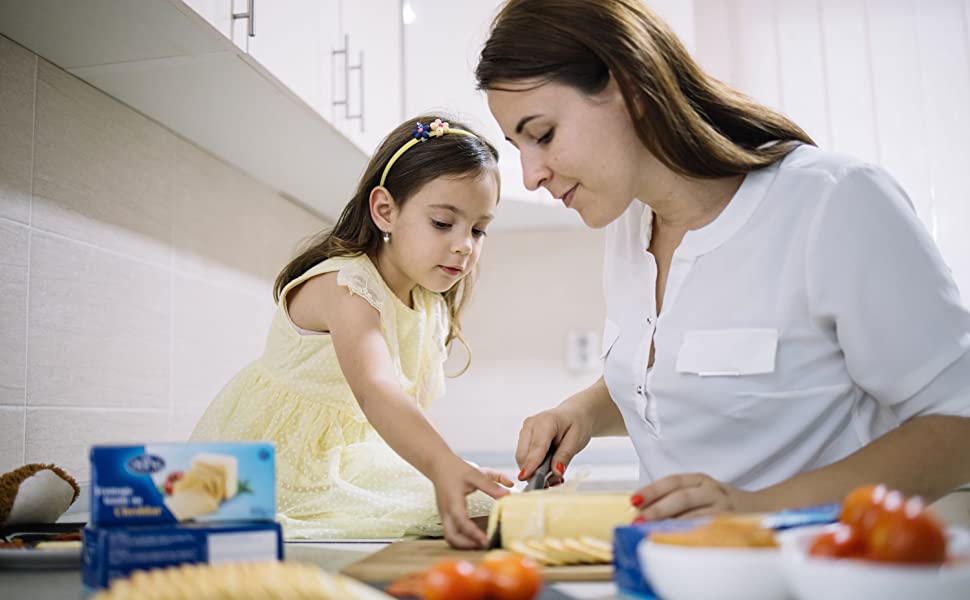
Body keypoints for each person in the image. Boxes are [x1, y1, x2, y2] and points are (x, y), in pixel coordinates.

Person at [476, 0, 970, 521]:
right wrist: (582, 411)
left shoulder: (834, 203)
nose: (529, 175)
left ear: (631, 89)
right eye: (517, 146)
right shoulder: (627, 227)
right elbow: (686, 381)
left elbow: (958, 423)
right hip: (667, 572)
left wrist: (754, 509)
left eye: (543, 134)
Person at [191, 116, 511, 548]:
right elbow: (376, 389)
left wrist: (445, 468)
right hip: (273, 466)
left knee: (495, 505)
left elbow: (410, 408)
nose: (464, 245)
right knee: (484, 512)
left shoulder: (429, 305)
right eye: (442, 223)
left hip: (349, 460)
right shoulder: (347, 284)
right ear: (385, 210)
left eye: (478, 230)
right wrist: (442, 468)